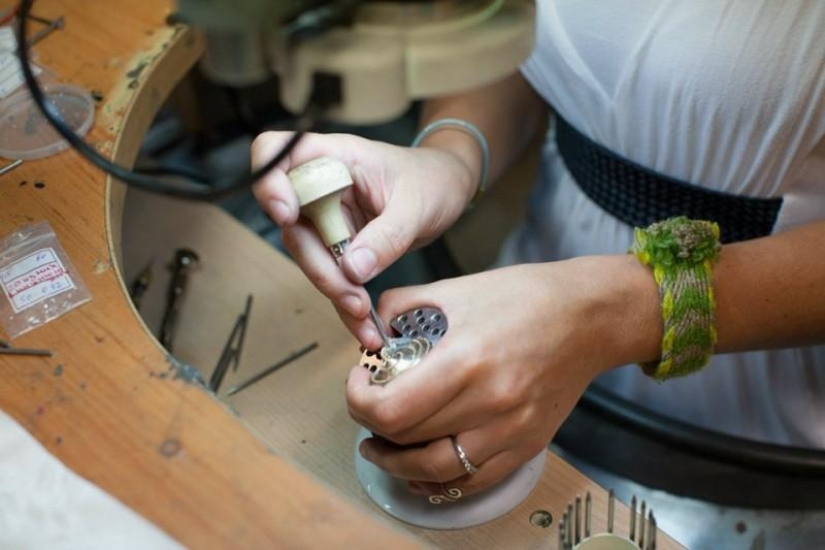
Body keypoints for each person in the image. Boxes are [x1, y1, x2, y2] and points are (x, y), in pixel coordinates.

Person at [251, 0, 825, 499]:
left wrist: (610, 314)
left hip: (756, 409)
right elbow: (534, 40)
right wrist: (452, 155)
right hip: (525, 307)